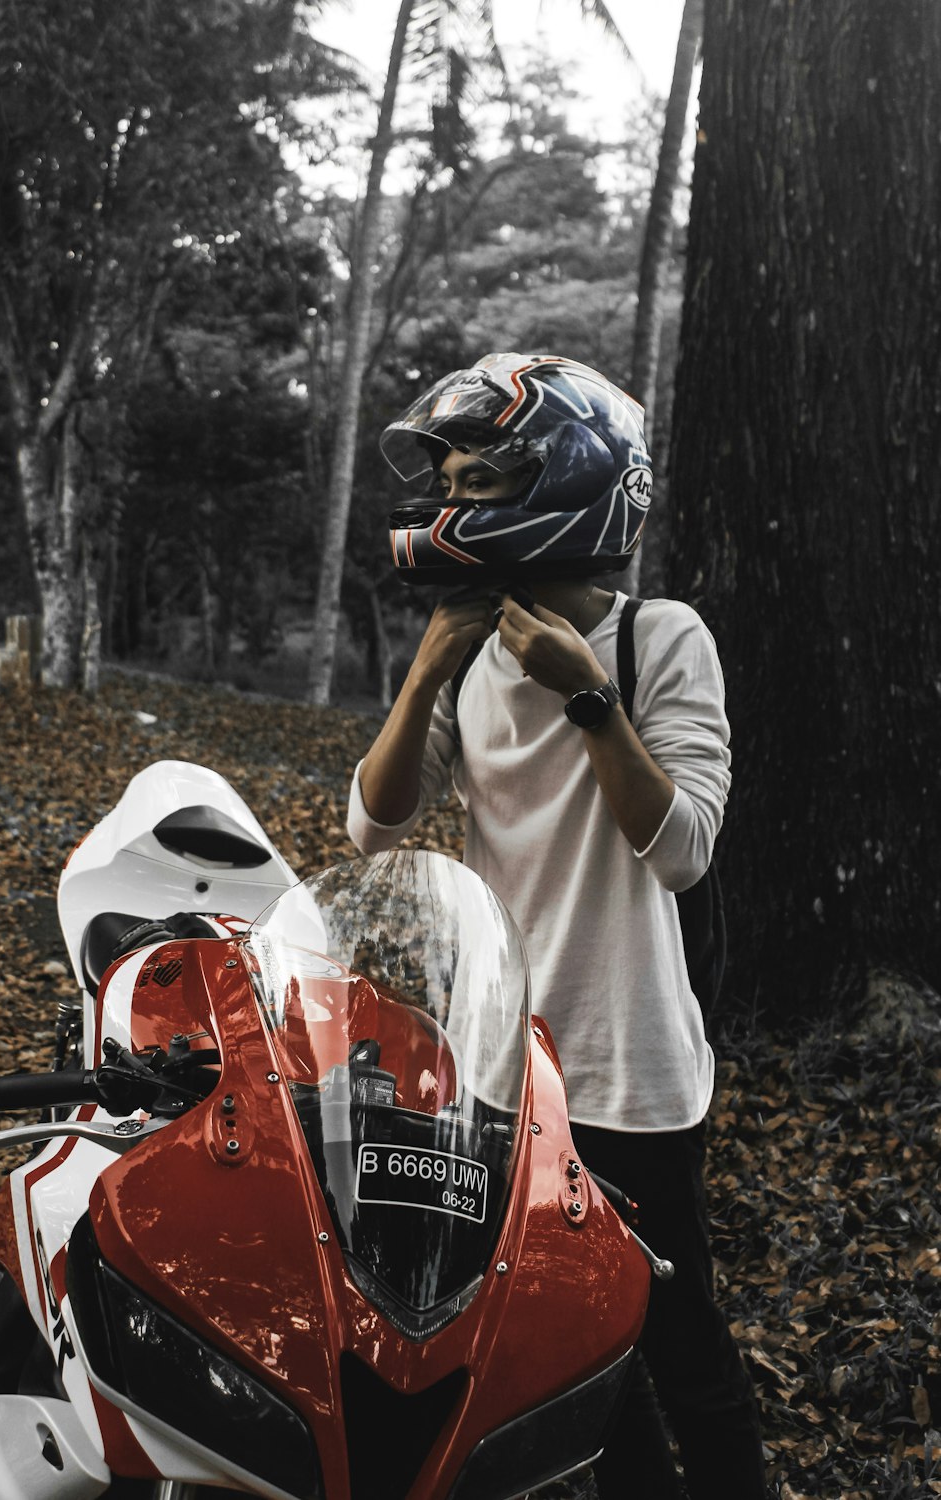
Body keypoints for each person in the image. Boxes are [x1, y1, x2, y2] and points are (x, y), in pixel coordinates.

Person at [346, 351, 767, 1500]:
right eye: (451, 483)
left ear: (566, 481)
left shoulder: (661, 638)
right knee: (575, 1356)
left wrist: (588, 694)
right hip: (504, 1075)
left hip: (631, 1075)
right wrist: (429, 668)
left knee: (685, 1355)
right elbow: (372, 827)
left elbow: (680, 848)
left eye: (477, 483)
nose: (447, 509)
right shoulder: (466, 652)